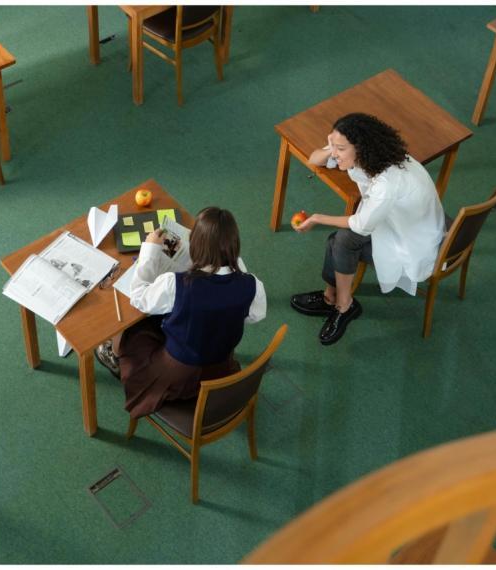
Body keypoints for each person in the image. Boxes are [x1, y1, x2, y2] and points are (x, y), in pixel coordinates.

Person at [96, 207, 266, 419]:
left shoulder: (175, 285)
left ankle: (114, 356)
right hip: (220, 365)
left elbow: (139, 298)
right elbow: (255, 316)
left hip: (177, 375)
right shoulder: (253, 285)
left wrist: (149, 250)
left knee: (134, 332)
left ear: (196, 245)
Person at [291, 112, 445, 345]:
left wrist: (316, 218)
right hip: (400, 223)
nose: (335, 153)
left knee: (339, 242)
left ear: (360, 148)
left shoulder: (387, 184)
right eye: (334, 146)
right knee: (339, 241)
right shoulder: (376, 155)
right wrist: (332, 145)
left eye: (341, 149)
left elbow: (361, 225)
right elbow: (314, 159)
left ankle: (343, 305)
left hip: (410, 242)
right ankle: (332, 298)